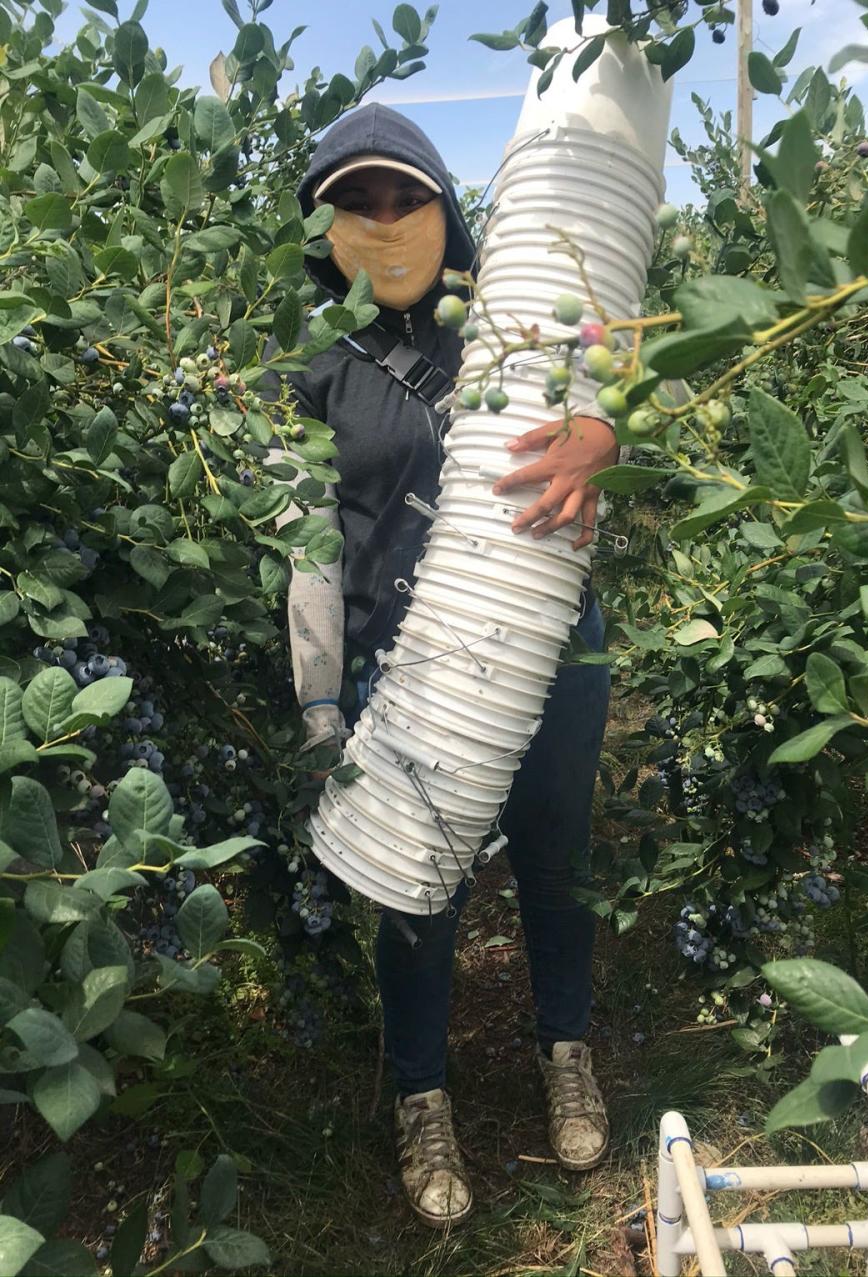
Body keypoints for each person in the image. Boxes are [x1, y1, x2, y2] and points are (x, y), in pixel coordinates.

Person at [264, 104, 618, 1229]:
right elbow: (304, 538)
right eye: (356, 203)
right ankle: (425, 1092)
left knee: (557, 858)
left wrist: (605, 431)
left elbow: (608, 368)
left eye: (403, 196)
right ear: (322, 228)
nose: (385, 221)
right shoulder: (308, 363)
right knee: (418, 889)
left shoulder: (504, 318)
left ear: (444, 207)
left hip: (551, 644)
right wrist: (321, 701)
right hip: (402, 665)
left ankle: (566, 1045)